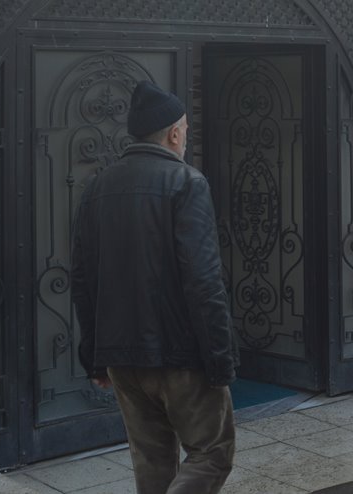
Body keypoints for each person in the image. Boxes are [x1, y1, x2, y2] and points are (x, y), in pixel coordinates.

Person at [70, 80, 238, 494]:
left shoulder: (97, 188)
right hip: (180, 355)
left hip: (122, 360)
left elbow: (82, 279)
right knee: (212, 453)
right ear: (175, 133)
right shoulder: (186, 183)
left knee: (152, 462)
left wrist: (94, 358)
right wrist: (220, 359)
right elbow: (204, 281)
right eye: (186, 132)